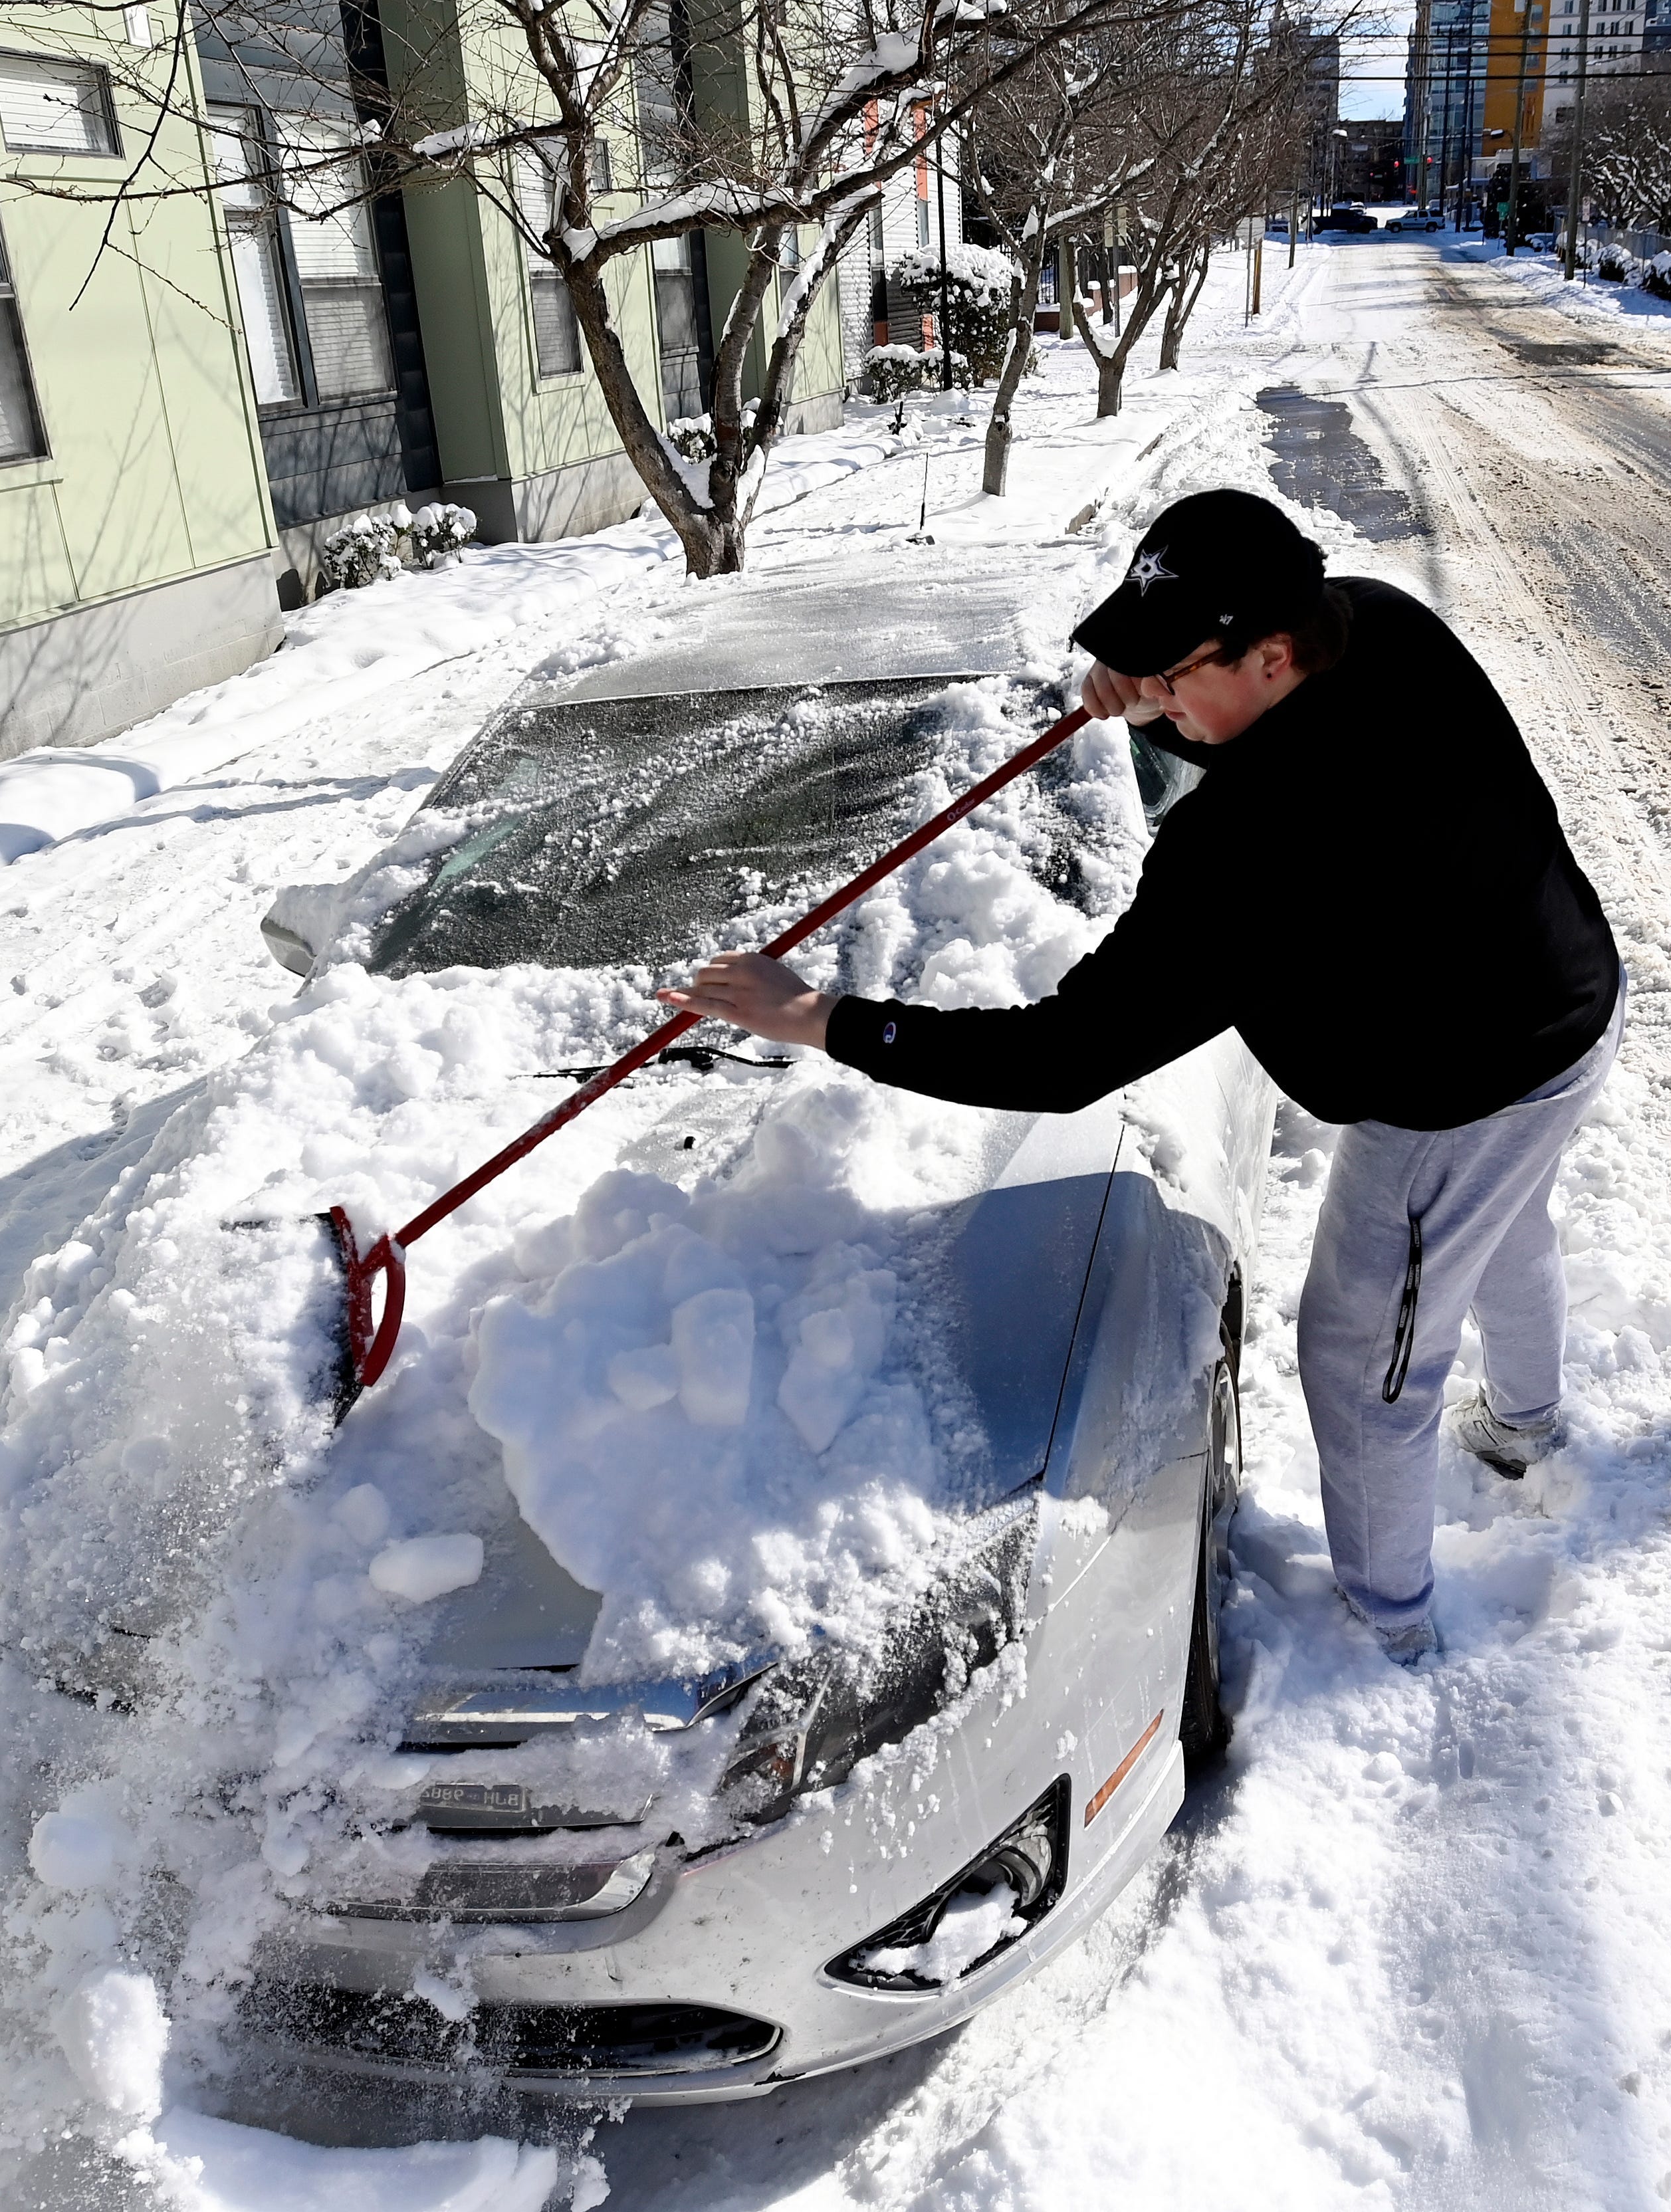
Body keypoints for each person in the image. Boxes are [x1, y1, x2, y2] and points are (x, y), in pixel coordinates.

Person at [660, 489, 1621, 1669]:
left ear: (1270, 653)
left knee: (1362, 1353)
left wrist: (821, 1017)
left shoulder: (1259, 848)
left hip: (1466, 1086)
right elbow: (1266, 733)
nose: (1155, 697)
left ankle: (1389, 1623)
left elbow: (1069, 1056)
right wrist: (1161, 708)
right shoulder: (1370, 621)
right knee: (1506, 1221)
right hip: (1561, 988)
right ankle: (1525, 1425)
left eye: (1172, 676)